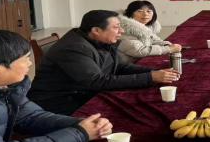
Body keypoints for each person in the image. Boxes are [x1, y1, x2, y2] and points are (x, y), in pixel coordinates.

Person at [29, 10, 179, 115]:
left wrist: (152, 72)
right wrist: (150, 78)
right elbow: (96, 82)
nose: (121, 31)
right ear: (96, 30)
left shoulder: (99, 39)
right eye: (116, 27)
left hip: (82, 92)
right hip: (60, 103)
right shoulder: (74, 48)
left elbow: (120, 66)